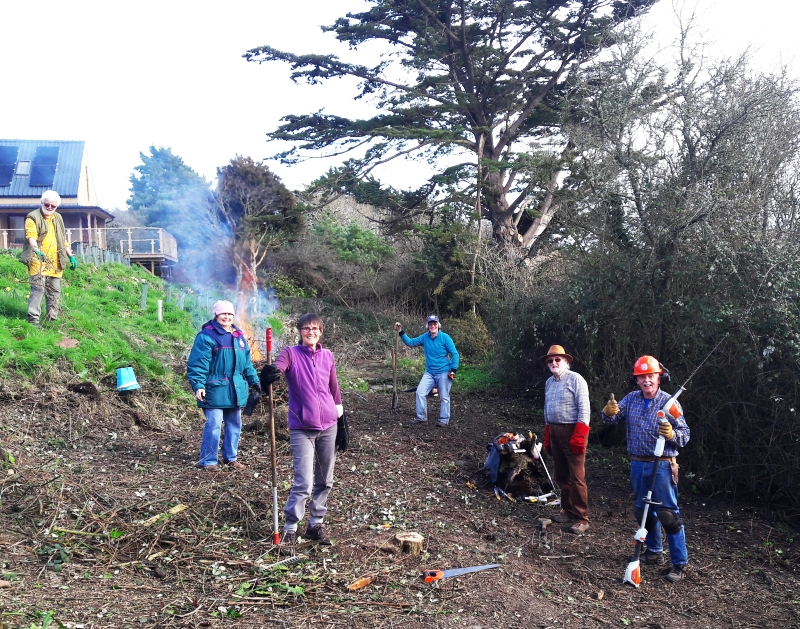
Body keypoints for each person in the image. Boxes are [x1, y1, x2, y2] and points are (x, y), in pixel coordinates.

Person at [602, 355, 690, 583]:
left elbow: (685, 435)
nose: (646, 381)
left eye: (650, 376)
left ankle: (679, 564)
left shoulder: (670, 403)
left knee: (668, 515)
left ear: (659, 378)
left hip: (662, 465)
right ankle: (654, 551)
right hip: (637, 463)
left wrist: (672, 434)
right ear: (636, 380)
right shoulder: (631, 399)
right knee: (643, 511)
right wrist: (608, 412)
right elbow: (611, 420)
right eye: (642, 377)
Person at [260, 313, 343, 551]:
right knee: (304, 482)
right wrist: (270, 375)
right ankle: (290, 528)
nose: (311, 332)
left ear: (321, 332)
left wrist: (341, 419)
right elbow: (278, 369)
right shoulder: (290, 353)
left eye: (315, 328)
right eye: (306, 328)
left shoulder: (328, 356)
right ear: (299, 331)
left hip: (329, 425)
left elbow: (334, 389)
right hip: (301, 427)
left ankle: (315, 524)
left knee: (325, 479)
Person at [187, 300, 261, 471]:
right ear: (216, 315)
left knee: (235, 424)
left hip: (235, 389)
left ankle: (230, 457)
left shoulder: (239, 337)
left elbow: (247, 364)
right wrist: (198, 385)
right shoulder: (207, 336)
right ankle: (209, 460)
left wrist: (255, 381)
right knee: (214, 424)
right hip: (213, 389)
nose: (227, 317)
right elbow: (198, 364)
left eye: (229, 314)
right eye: (223, 314)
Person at [541, 345, 591, 535]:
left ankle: (581, 517)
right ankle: (567, 509)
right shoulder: (549, 382)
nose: (554, 363)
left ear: (566, 361)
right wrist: (547, 434)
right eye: (550, 361)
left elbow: (584, 409)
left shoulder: (576, 379)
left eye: (557, 360)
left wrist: (579, 435)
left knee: (577, 476)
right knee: (561, 474)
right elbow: (547, 409)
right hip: (555, 431)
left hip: (573, 432)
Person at [19, 190, 78, 328]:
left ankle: (51, 320)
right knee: (38, 289)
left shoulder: (58, 218)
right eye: (47, 204)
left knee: (54, 291)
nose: (50, 207)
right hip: (37, 260)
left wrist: (71, 256)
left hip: (55, 260)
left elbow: (62, 239)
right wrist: (37, 250)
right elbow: (31, 236)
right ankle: (33, 320)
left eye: (53, 205)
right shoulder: (32, 217)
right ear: (42, 203)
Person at [394, 315, 459, 427]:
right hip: (429, 372)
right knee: (420, 392)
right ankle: (421, 417)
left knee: (444, 396)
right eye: (430, 324)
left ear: (438, 325)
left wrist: (453, 369)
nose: (432, 326)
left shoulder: (445, 338)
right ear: (427, 326)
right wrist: (401, 332)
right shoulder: (425, 337)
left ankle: (443, 420)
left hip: (444, 371)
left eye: (434, 324)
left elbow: (455, 354)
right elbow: (410, 342)